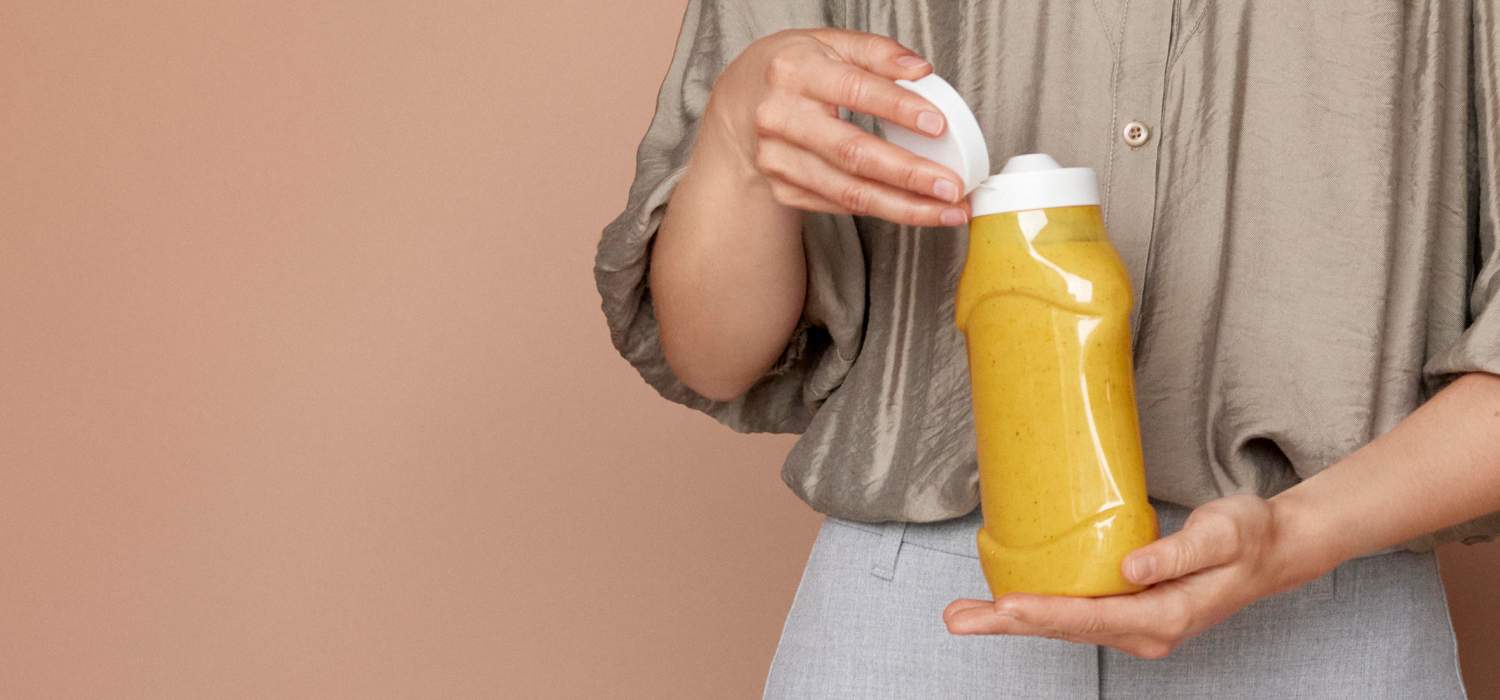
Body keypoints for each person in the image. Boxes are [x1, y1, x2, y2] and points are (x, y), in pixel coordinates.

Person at [595, 2, 1500, 697]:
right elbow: (716, 355)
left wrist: (1301, 533)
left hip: (1321, 602)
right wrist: (737, 142)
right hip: (920, 616)